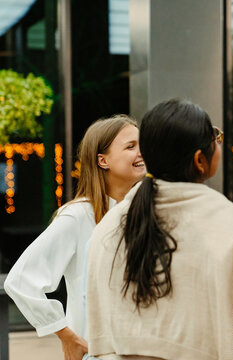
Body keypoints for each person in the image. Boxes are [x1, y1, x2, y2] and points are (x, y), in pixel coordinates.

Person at [85, 98, 233, 360]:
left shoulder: (108, 226)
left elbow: (92, 312)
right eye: (214, 138)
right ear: (199, 160)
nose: (218, 144)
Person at [4, 115, 145, 360]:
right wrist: (66, 335)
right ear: (103, 160)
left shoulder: (145, 212)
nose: (141, 152)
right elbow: (20, 280)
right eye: (131, 146)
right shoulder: (78, 216)